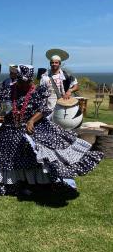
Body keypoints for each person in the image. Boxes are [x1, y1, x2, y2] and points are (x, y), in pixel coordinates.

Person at [0, 65, 103, 199]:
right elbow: (5, 108)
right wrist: (1, 114)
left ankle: (28, 185)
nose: (24, 85)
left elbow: (43, 109)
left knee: (38, 152)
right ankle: (2, 185)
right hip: (10, 127)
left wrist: (31, 121)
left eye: (27, 82)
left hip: (31, 126)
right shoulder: (9, 90)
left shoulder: (37, 91)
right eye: (21, 82)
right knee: (5, 153)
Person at [40, 49, 80, 189]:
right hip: (48, 112)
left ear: (60, 63)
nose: (54, 65)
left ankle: (67, 166)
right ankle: (52, 167)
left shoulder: (67, 75)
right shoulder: (44, 76)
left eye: (56, 63)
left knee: (64, 139)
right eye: (52, 63)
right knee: (51, 140)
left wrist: (69, 91)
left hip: (63, 111)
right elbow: (41, 93)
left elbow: (76, 85)